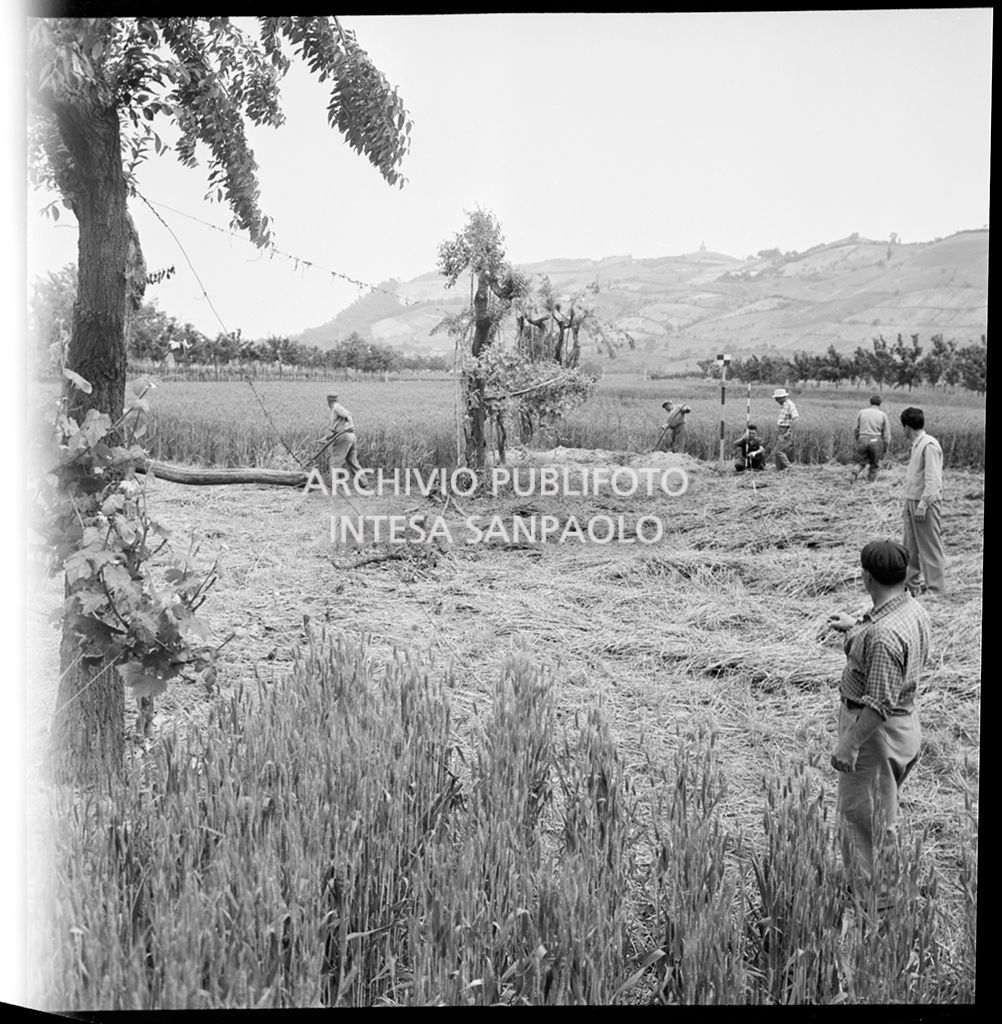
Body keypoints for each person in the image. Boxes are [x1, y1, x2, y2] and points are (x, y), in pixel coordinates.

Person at [826, 540, 929, 892]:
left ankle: (875, 903)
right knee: (879, 812)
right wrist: (855, 626)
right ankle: (875, 893)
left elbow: (879, 703)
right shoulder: (912, 609)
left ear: (867, 577)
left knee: (864, 821)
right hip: (905, 726)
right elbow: (886, 641)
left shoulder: (883, 636)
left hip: (874, 736)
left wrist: (850, 744)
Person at [900, 407, 947, 597]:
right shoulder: (917, 445)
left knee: (929, 548)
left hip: (925, 504)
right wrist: (909, 505)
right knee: (909, 547)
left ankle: (936, 591)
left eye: (903, 428)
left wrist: (923, 505)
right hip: (912, 501)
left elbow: (933, 481)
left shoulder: (929, 445)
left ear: (907, 427)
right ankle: (912, 587)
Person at [322, 393, 364, 485]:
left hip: (344, 437)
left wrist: (351, 426)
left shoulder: (336, 408)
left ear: (329, 401)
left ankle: (333, 483)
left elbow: (349, 416)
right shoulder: (336, 409)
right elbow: (336, 430)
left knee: (335, 461)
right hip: (350, 437)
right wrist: (326, 438)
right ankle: (363, 482)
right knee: (352, 460)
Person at [851, 394, 892, 483]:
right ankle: (870, 483)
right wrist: (886, 448)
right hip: (876, 441)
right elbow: (887, 434)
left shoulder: (861, 412)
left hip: (862, 439)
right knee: (874, 464)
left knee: (861, 461)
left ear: (870, 402)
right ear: (880, 404)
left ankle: (855, 471)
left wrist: (858, 439)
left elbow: (855, 428)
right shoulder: (883, 415)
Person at [771, 388, 799, 470]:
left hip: (786, 431)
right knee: (779, 449)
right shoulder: (783, 405)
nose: (776, 400)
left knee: (778, 451)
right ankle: (779, 469)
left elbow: (796, 419)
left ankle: (789, 468)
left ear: (783, 397)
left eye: (777, 398)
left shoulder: (790, 405)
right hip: (781, 430)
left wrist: (789, 432)